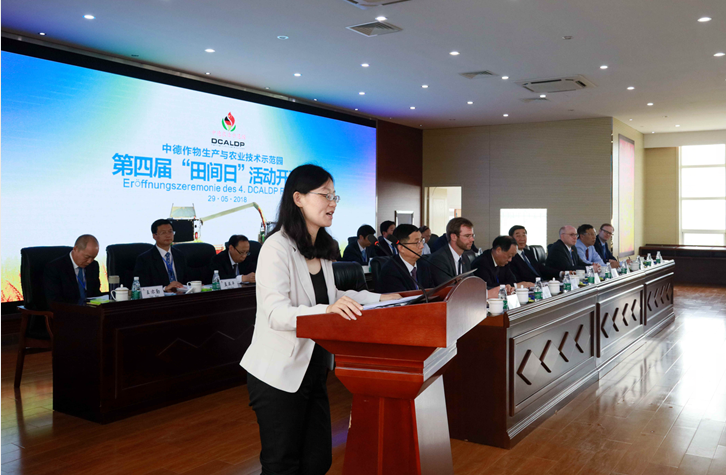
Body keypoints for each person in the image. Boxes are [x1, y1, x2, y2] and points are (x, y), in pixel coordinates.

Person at [240, 164, 401, 475]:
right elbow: (276, 313)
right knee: (282, 465)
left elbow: (332, 295)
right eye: (325, 195)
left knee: (317, 461)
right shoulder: (276, 247)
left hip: (313, 369)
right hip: (278, 374)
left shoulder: (320, 247)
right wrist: (326, 310)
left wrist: (380, 299)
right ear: (298, 198)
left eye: (335, 196)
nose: (332, 203)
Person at [44, 234, 102, 305]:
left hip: (91, 309)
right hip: (67, 309)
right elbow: (54, 300)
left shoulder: (93, 265)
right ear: (75, 249)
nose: (89, 261)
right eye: (87, 257)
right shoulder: (55, 268)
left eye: (93, 258)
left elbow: (96, 294)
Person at [133, 219, 188, 291]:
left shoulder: (180, 255)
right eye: (163, 233)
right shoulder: (145, 259)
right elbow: (143, 288)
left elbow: (187, 280)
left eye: (170, 232)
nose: (168, 235)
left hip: (181, 295)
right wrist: (165, 289)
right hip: (159, 297)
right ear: (154, 236)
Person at [377, 224, 434, 293]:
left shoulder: (424, 265)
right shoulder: (390, 271)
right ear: (401, 248)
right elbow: (402, 298)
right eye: (417, 242)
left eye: (421, 240)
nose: (422, 246)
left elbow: (432, 292)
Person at [428, 217, 475, 286]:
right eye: (467, 236)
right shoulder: (439, 259)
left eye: (472, 235)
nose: (472, 239)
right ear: (453, 237)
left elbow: (472, 283)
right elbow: (448, 287)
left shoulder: (465, 258)